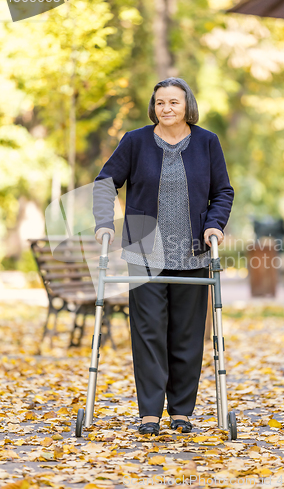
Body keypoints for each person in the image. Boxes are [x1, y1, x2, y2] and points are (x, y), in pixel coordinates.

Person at [93, 77, 234, 435]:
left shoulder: (207, 142)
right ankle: (150, 414)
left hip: (191, 252)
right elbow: (106, 181)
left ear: (188, 105)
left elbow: (223, 191)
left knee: (187, 334)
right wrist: (103, 223)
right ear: (153, 107)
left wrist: (214, 225)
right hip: (143, 250)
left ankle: (182, 411)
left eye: (173, 102)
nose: (166, 108)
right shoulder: (136, 141)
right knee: (148, 331)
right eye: (160, 103)